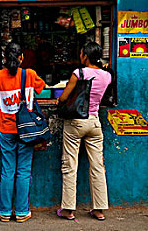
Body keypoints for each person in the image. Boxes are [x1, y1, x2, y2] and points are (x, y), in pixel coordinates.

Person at [0, 42, 46, 223]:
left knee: (7, 170)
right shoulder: (29, 74)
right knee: (23, 171)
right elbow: (42, 87)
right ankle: (21, 211)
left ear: (5, 58)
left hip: (7, 129)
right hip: (27, 130)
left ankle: (5, 212)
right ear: (21, 57)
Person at [56, 42, 112, 221]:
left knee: (70, 165)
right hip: (94, 123)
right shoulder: (107, 76)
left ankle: (68, 209)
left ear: (85, 56)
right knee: (97, 166)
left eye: (81, 54)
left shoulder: (79, 73)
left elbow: (63, 97)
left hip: (76, 123)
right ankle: (99, 209)